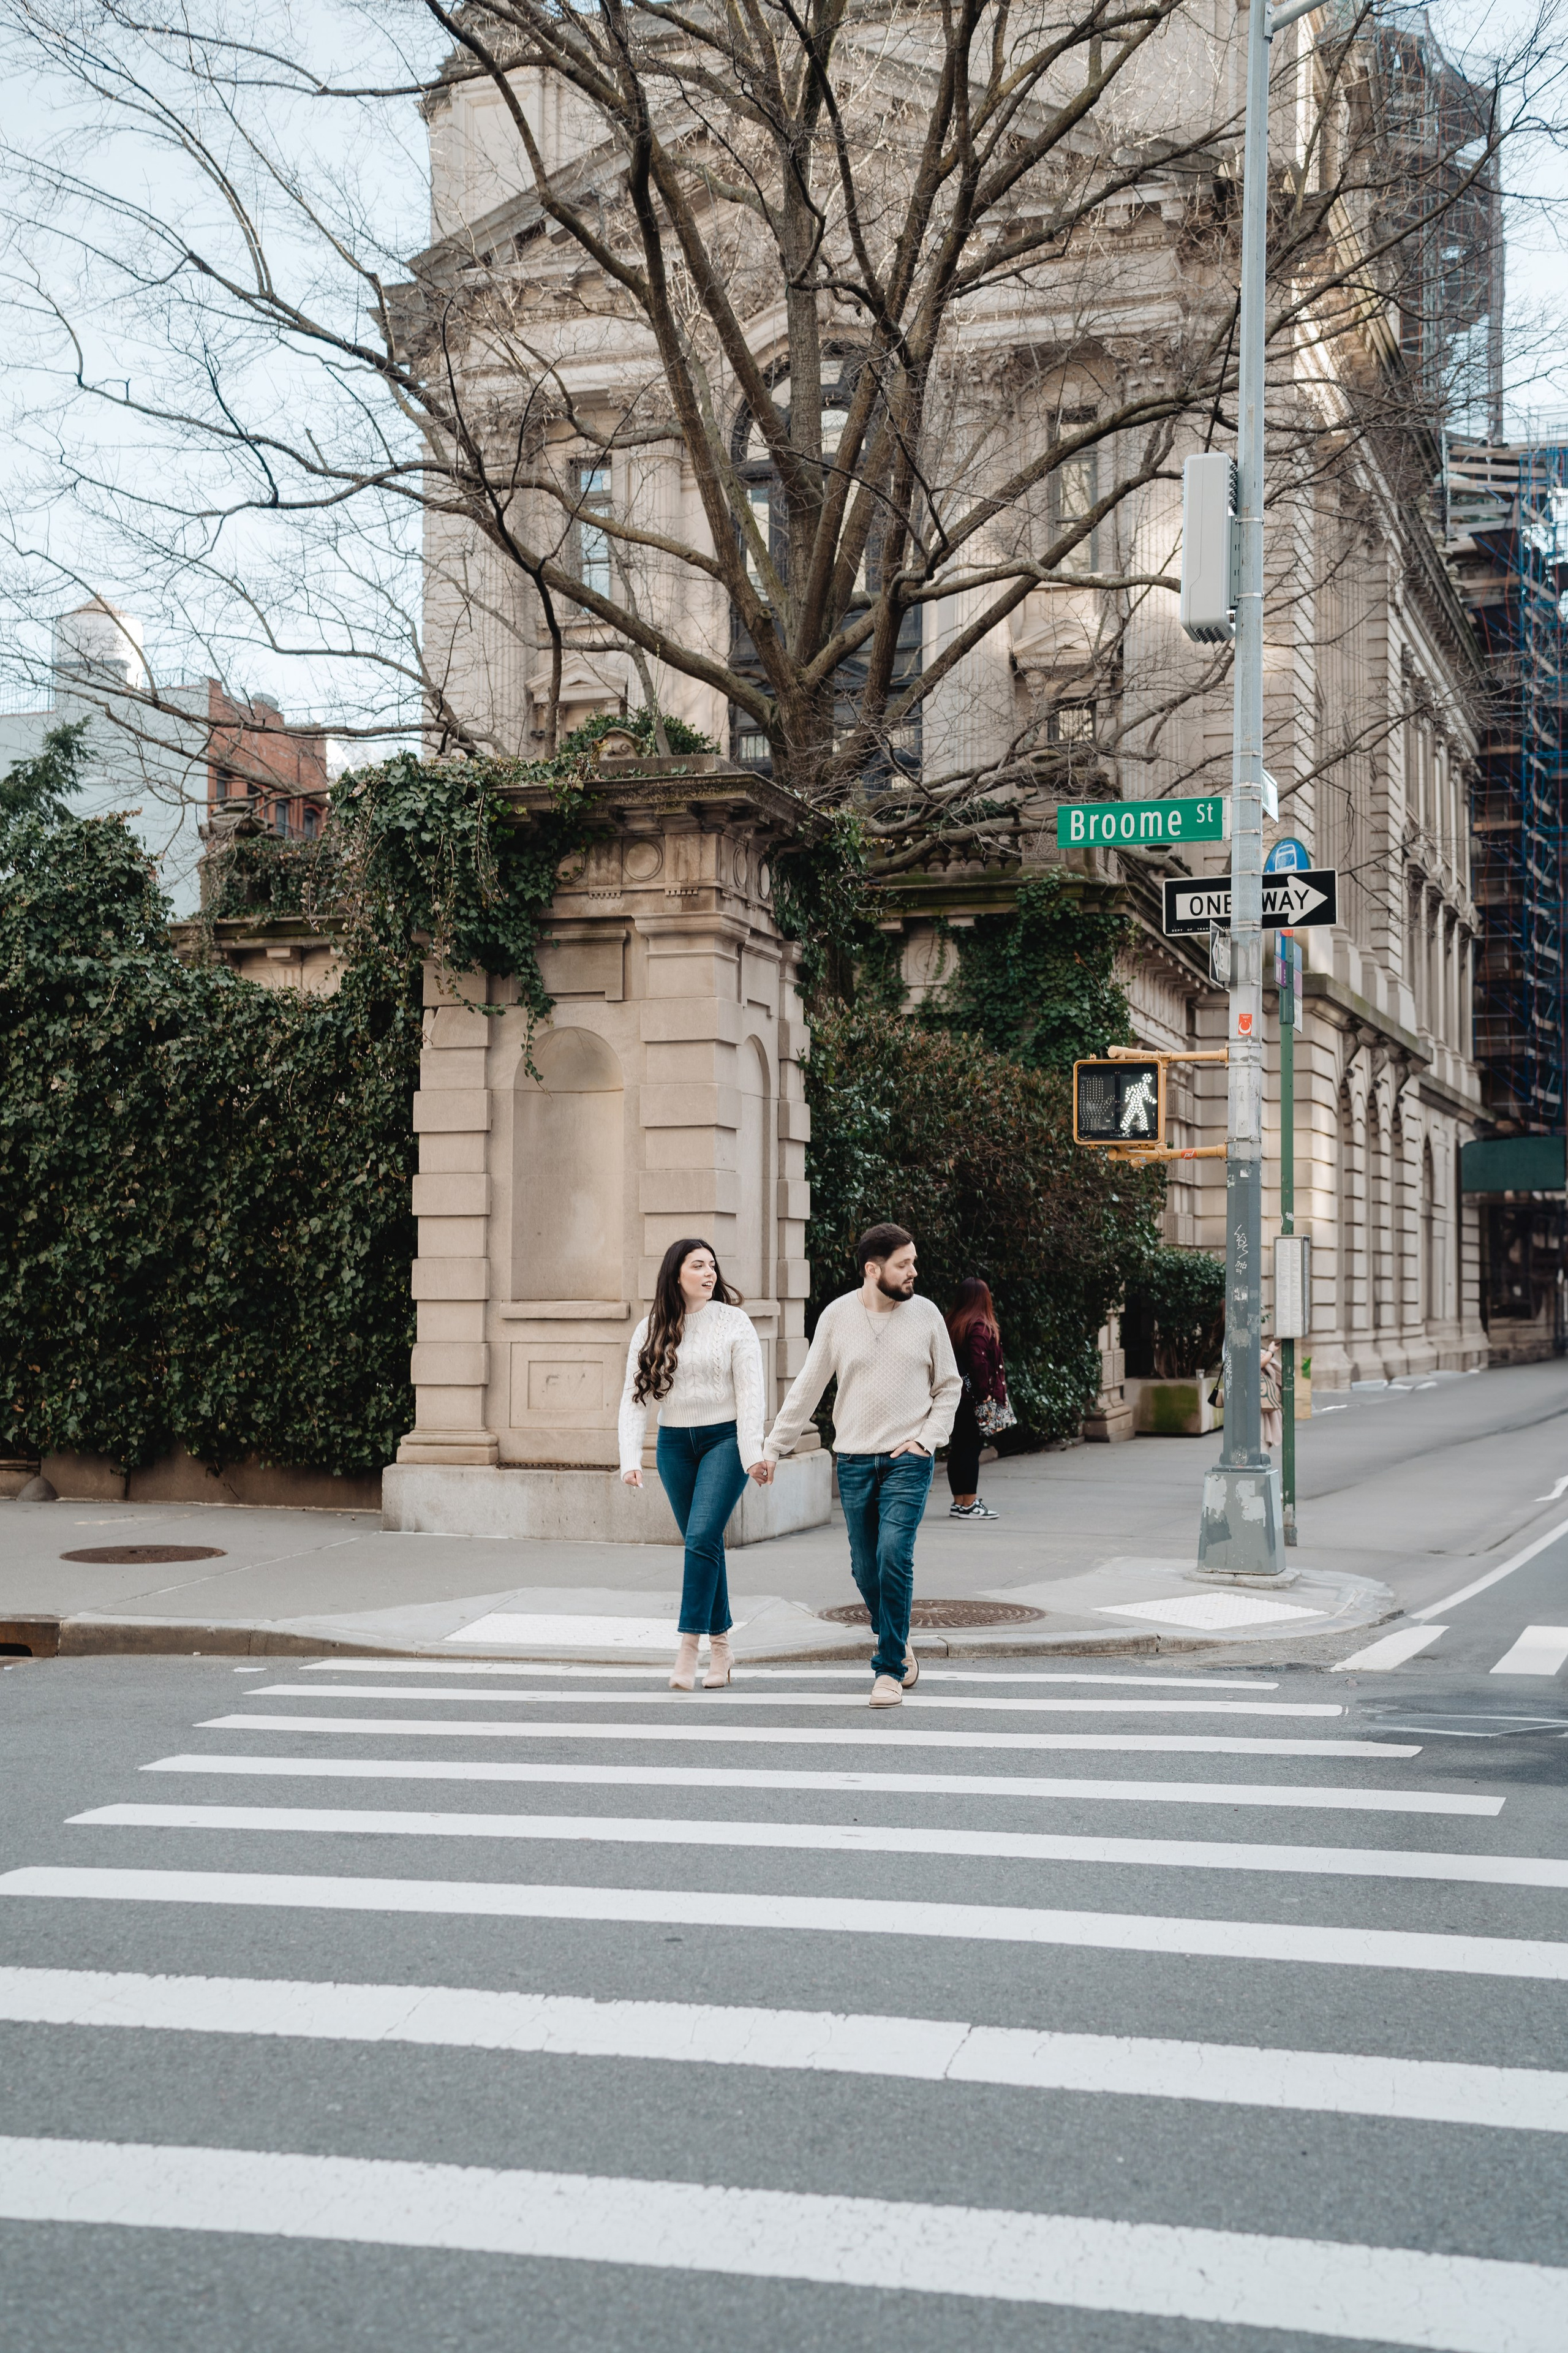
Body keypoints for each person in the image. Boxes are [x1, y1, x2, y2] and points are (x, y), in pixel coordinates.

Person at [755, 1222, 961, 1709]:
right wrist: (772, 1448)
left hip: (907, 1460)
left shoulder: (927, 1315)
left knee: (894, 1553)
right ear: (873, 1270)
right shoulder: (837, 1316)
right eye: (903, 1264)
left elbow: (949, 1386)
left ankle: (888, 1668)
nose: (914, 1271)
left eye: (913, 1261)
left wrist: (928, 1440)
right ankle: (897, 1636)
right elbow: (808, 1387)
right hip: (852, 1460)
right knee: (865, 1567)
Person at [619, 1236, 768, 1691]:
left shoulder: (734, 1322)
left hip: (724, 1440)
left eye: (713, 1265)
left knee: (702, 1537)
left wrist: (753, 1454)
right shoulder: (651, 1328)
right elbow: (633, 1398)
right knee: (706, 1546)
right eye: (698, 1265)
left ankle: (688, 1649)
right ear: (676, 1274)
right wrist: (631, 1458)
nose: (709, 1273)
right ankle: (722, 1648)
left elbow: (751, 1395)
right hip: (674, 1447)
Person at [945, 1277, 1009, 1520]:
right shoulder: (980, 1326)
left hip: (954, 1396)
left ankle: (960, 1502)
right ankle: (970, 1504)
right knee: (971, 1449)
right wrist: (984, 1397)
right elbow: (979, 1362)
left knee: (958, 1448)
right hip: (974, 1399)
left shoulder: (951, 1323)